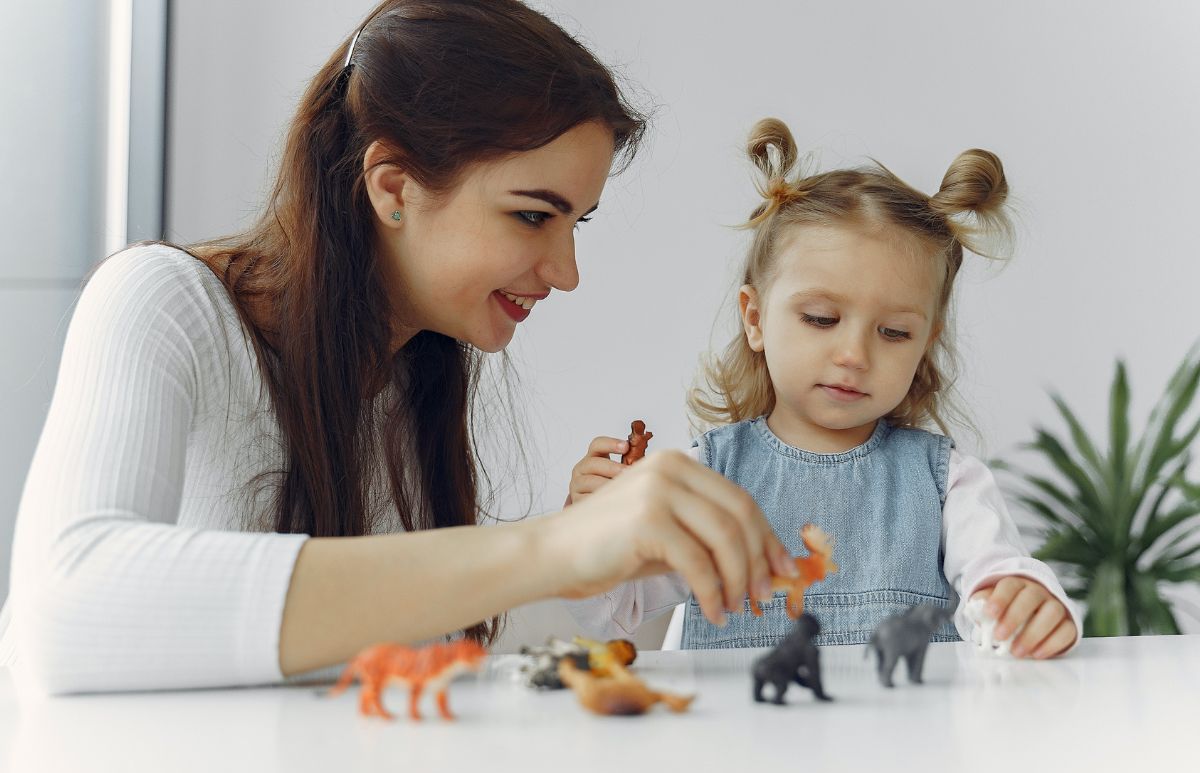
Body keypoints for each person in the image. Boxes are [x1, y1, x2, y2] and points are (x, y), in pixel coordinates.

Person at [0, 0, 796, 695]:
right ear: (393, 187)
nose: (565, 272)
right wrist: (548, 548)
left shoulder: (416, 373)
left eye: (574, 222)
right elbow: (64, 609)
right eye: (531, 215)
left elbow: (420, 659)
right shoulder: (162, 302)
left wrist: (592, 566)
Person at [566, 117, 1082, 658]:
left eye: (893, 332)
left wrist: (1025, 603)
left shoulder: (948, 483)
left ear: (925, 343)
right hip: (739, 743)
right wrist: (590, 529)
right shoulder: (706, 479)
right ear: (756, 318)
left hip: (910, 742)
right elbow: (611, 612)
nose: (854, 355)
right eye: (819, 318)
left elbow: (996, 581)